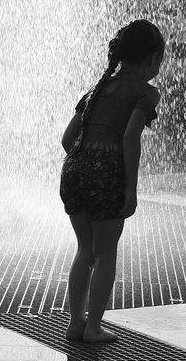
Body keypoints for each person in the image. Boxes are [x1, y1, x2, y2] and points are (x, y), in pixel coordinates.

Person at [58, 20, 164, 343]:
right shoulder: (146, 93)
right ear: (152, 59)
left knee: (84, 250)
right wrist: (130, 187)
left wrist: (86, 161)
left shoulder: (97, 88)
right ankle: (93, 327)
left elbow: (67, 140)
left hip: (74, 170)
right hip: (107, 173)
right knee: (105, 254)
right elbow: (130, 137)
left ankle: (75, 323)